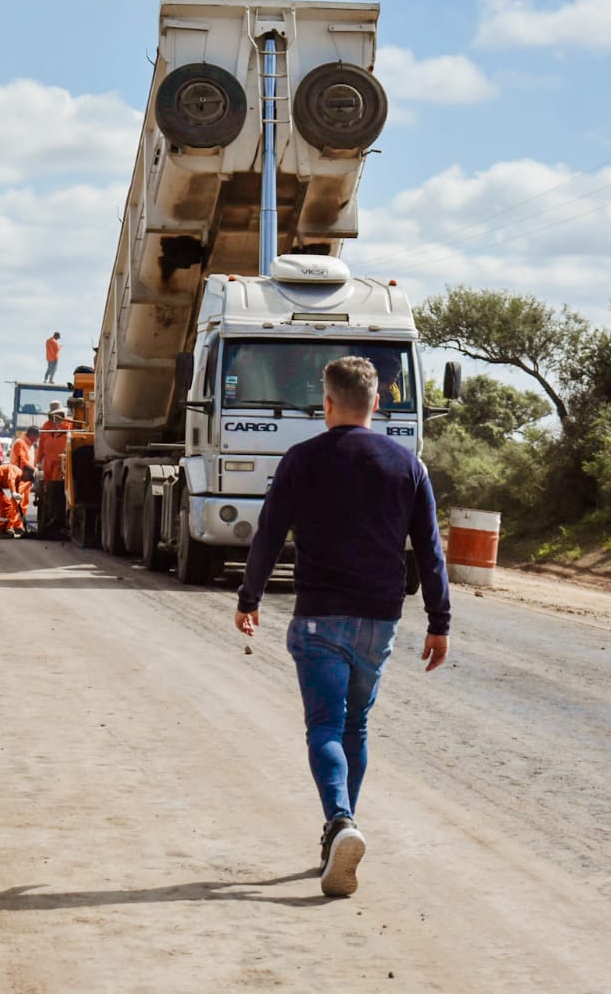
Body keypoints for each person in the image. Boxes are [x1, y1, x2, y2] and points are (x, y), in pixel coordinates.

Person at [234, 355, 451, 898]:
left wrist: (250, 596)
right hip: (379, 621)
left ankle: (339, 822)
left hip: (319, 620)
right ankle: (339, 831)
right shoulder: (408, 466)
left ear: (325, 404)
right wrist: (439, 621)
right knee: (355, 728)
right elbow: (429, 550)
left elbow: (268, 535)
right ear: (377, 403)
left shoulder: (301, 460)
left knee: (325, 727)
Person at [36, 403, 72, 538]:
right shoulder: (47, 426)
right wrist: (38, 462)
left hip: (62, 463)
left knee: (57, 489)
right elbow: (41, 445)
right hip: (48, 464)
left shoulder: (69, 425)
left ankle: (58, 518)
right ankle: (49, 515)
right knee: (48, 489)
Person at [0, 463, 33, 538]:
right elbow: (11, 480)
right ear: (25, 472)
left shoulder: (19, 478)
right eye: (29, 477)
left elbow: (16, 487)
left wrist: (16, 499)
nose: (28, 480)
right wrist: (13, 493)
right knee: (6, 505)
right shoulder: (16, 471)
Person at [10, 426, 38, 519]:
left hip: (26, 478)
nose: (36, 440)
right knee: (17, 501)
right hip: (19, 477)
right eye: (36, 437)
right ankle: (11, 525)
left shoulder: (31, 445)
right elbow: (21, 462)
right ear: (31, 435)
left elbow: (30, 461)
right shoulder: (20, 443)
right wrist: (35, 471)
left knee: (24, 502)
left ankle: (18, 524)